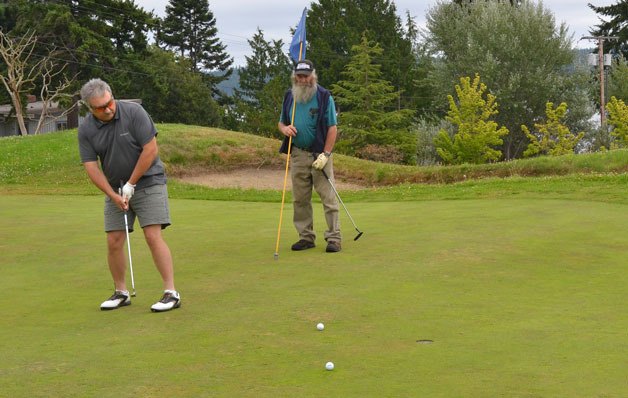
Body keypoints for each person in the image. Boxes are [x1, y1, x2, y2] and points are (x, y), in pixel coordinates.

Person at [78, 78, 181, 312]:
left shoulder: (134, 112)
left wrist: (132, 183)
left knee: (152, 234)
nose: (108, 109)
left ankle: (171, 293)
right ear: (89, 108)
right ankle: (121, 292)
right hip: (115, 189)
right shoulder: (86, 129)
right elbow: (91, 166)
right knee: (113, 240)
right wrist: (113, 194)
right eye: (100, 108)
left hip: (148, 182)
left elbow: (151, 149)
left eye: (109, 103)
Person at [278, 59, 342, 253]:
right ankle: (306, 237)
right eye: (299, 76)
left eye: (306, 76)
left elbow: (332, 128)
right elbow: (281, 123)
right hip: (298, 154)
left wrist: (326, 154)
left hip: (319, 154)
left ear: (313, 76)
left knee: (328, 198)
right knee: (300, 199)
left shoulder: (324, 97)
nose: (302, 80)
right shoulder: (290, 96)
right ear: (294, 76)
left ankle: (334, 238)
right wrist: (285, 129)